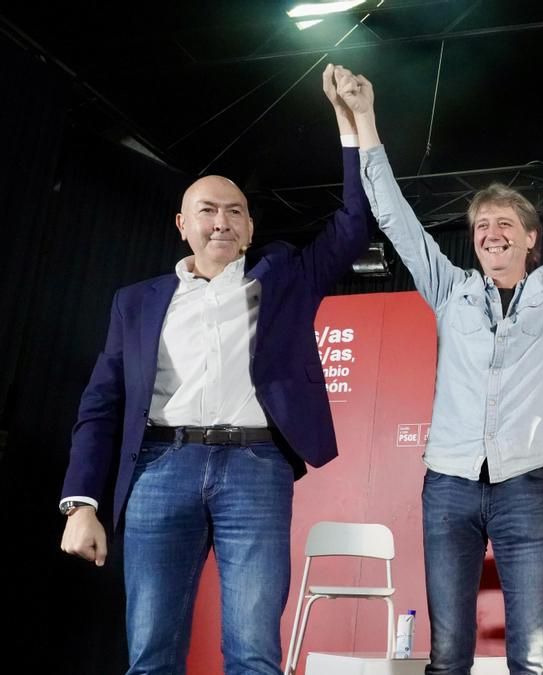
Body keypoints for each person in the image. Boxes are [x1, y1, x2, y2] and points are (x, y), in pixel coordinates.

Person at [57, 64, 371, 674]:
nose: (221, 221)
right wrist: (81, 504)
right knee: (151, 654)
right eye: (207, 210)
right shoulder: (135, 302)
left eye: (234, 211)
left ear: (250, 228)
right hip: (158, 468)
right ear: (183, 225)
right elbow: (100, 406)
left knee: (254, 653)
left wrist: (350, 122)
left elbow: (354, 224)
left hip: (255, 468)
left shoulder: (284, 280)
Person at [350, 75, 543, 675]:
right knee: (448, 655)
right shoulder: (450, 291)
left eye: (504, 224)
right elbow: (397, 221)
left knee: (533, 657)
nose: (491, 234)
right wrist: (366, 120)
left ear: (530, 237)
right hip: (449, 484)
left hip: (527, 484)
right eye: (481, 226)